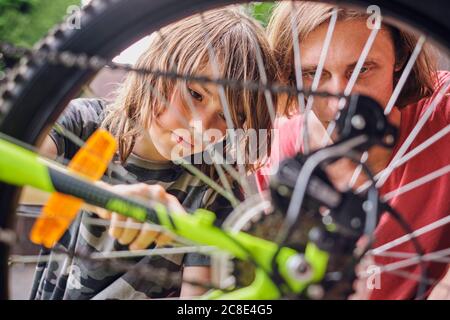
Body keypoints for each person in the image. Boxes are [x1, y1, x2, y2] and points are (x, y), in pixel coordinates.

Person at [30, 7, 277, 299]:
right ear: (157, 67)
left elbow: (197, 300)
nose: (200, 127)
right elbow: (12, 175)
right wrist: (102, 198)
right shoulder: (85, 124)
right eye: (195, 94)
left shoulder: (216, 187)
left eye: (226, 116)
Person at [258, 1, 450, 299]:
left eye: (362, 70)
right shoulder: (279, 151)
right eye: (313, 74)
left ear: (399, 57)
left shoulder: (443, 114)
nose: (339, 101)